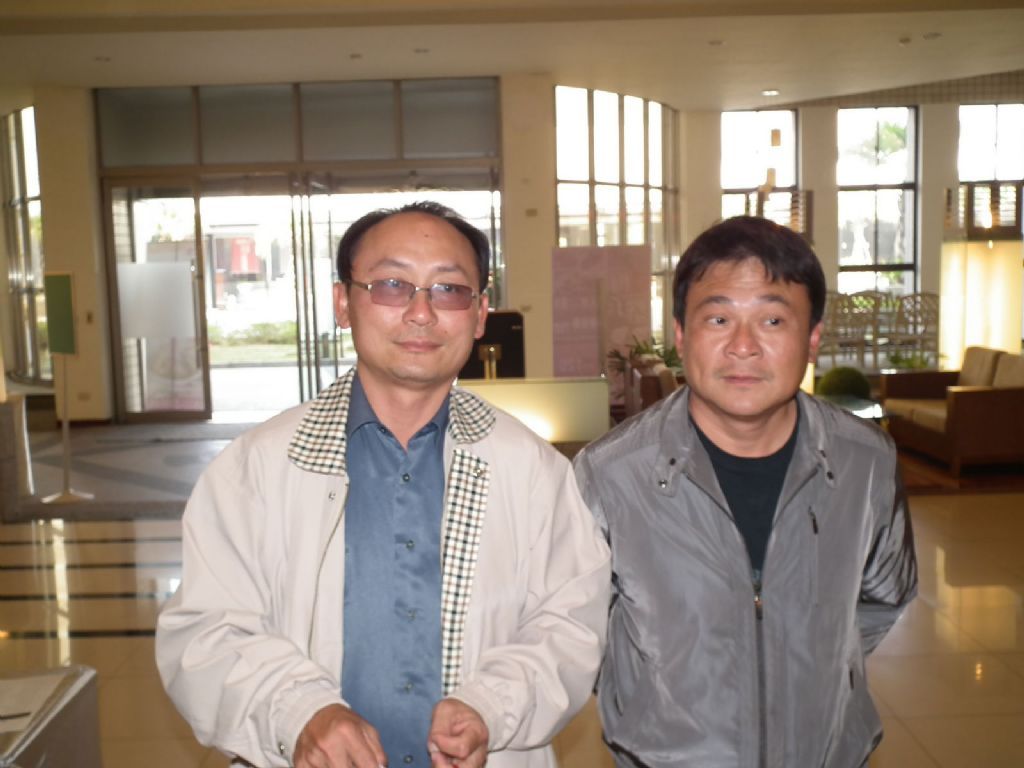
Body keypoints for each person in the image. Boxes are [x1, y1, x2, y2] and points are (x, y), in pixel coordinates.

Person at [157, 201, 611, 768]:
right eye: (392, 285)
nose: (421, 313)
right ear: (343, 303)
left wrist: (491, 706)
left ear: (479, 315)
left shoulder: (532, 470)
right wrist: (298, 713)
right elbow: (206, 633)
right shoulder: (256, 469)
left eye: (449, 290)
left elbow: (570, 625)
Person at [573, 216, 917, 768]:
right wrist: (654, 700)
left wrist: (812, 668)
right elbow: (579, 630)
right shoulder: (609, 474)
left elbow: (885, 594)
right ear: (681, 335)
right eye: (718, 318)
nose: (743, 347)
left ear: (812, 338)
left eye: (772, 320)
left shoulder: (865, 460)